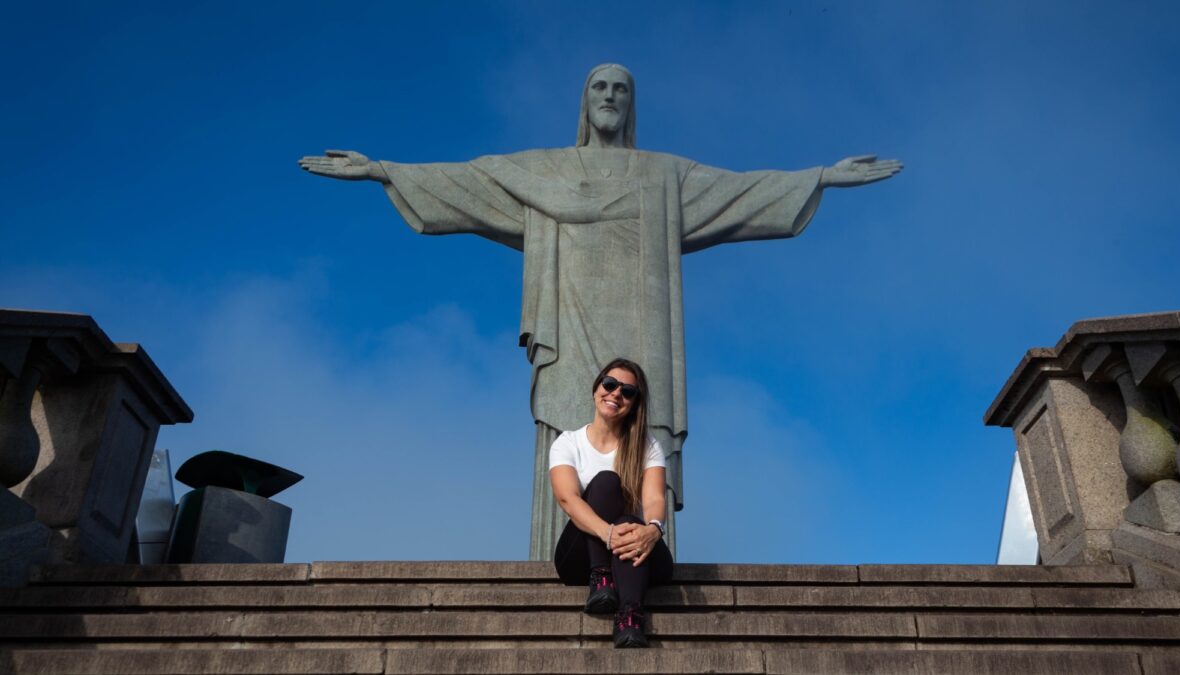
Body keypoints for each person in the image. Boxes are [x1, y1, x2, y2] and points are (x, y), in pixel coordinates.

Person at [298, 64, 901, 559]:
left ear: (631, 104)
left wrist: (819, 177)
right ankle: (565, 567)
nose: (609, 96)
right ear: (584, 102)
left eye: (621, 89)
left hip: (644, 330)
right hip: (568, 327)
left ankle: (641, 564)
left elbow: (740, 192)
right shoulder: (544, 171)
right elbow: (473, 183)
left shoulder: (664, 176)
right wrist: (383, 170)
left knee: (644, 448)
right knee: (567, 442)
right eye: (599, 87)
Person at [549, 358, 672, 648]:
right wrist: (607, 534)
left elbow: (654, 497)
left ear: (634, 402)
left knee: (630, 523)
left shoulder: (648, 445)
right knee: (605, 481)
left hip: (636, 553)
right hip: (581, 559)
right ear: (596, 389)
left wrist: (653, 529)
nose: (616, 393)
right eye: (610, 384)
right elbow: (568, 498)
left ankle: (629, 616)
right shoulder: (568, 442)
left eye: (627, 391)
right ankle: (601, 579)